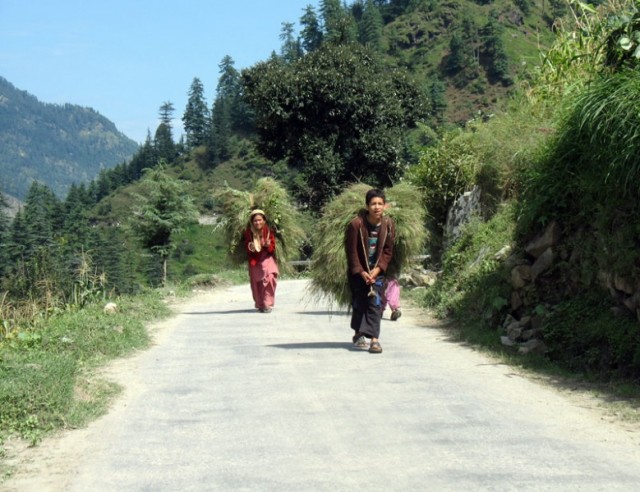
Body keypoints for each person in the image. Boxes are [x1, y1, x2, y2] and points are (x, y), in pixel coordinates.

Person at [345, 188, 395, 353]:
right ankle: (358, 334)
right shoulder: (356, 225)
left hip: (378, 272)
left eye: (380, 203)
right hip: (359, 273)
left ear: (385, 206)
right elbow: (352, 251)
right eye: (373, 204)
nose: (377, 207)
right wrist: (361, 272)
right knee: (359, 303)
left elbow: (388, 251)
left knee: (375, 303)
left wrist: (378, 270)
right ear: (367, 206)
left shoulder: (388, 225)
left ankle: (374, 340)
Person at [244, 209, 279, 313]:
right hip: (255, 260)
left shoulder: (268, 231)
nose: (258, 222)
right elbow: (247, 248)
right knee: (257, 283)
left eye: (260, 220)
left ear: (264, 221)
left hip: (267, 258)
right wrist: (252, 248)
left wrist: (268, 245)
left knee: (271, 278)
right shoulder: (248, 232)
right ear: (252, 222)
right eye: (255, 221)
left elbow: (272, 248)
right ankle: (260, 304)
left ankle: (267, 304)